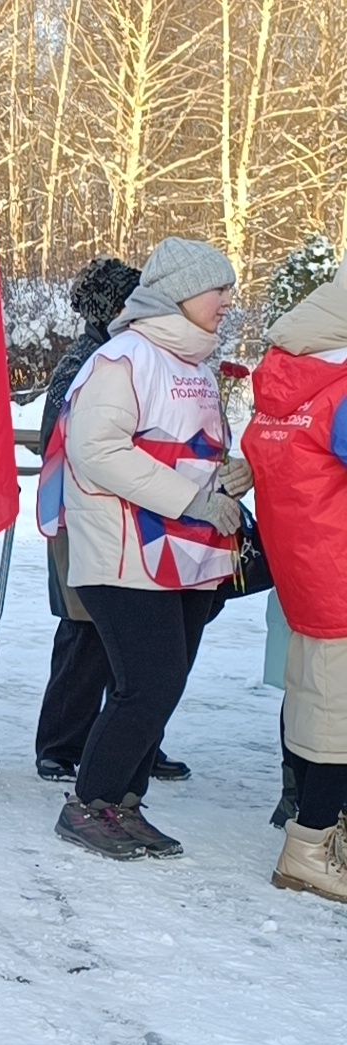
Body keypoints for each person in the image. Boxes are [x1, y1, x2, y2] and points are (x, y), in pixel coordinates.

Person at [38, 237, 243, 861]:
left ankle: (122, 803)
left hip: (186, 552)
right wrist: (192, 497)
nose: (229, 304)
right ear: (180, 293)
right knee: (146, 686)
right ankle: (89, 803)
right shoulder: (124, 357)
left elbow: (192, 446)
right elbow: (96, 451)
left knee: (165, 683)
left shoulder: (195, 364)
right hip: (127, 550)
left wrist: (233, 474)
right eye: (221, 291)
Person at [34, 259, 193, 784]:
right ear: (108, 309)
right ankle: (60, 743)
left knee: (135, 645)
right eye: (127, 302)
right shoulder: (89, 362)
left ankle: (137, 744)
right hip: (81, 517)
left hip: (144, 515)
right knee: (85, 634)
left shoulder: (144, 357)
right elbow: (68, 444)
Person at [244, 263, 347, 901]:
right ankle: (308, 850)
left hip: (306, 578)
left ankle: (316, 839)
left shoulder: (284, 392)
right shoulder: (338, 396)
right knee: (337, 724)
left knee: (316, 711)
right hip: (340, 574)